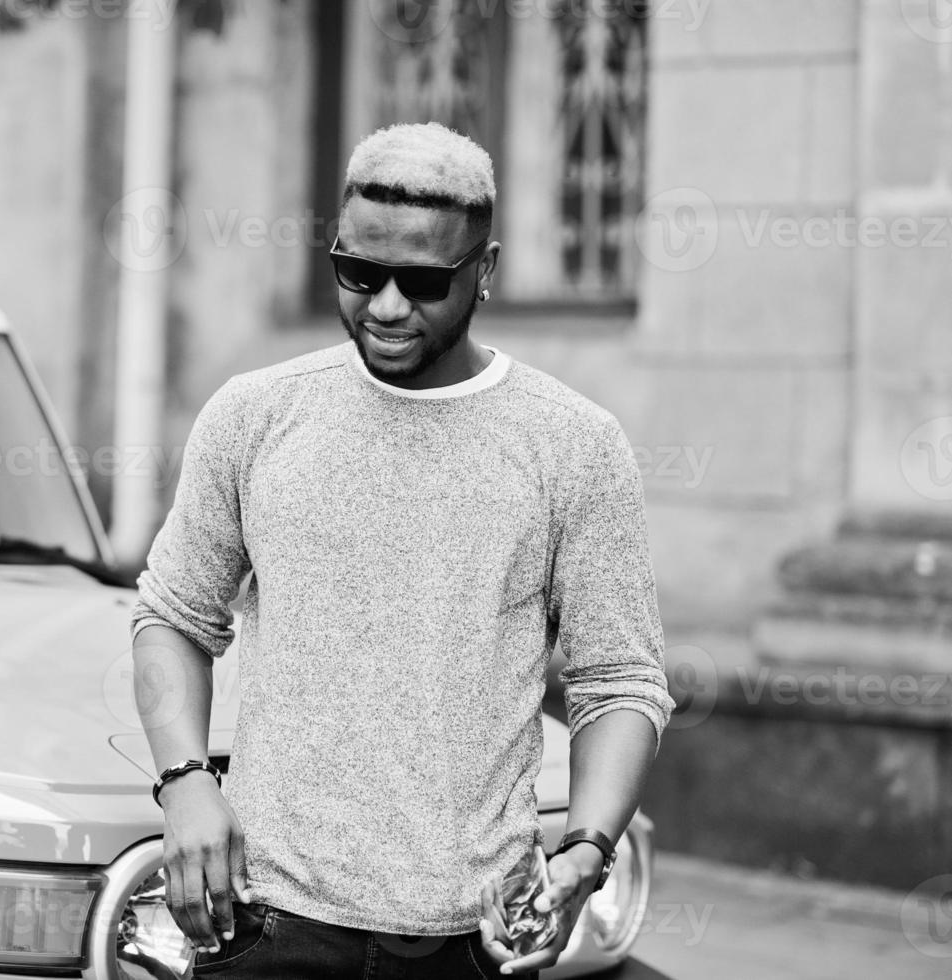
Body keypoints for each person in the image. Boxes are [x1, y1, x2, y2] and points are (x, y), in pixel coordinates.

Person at [128, 121, 675, 979]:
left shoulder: (572, 443)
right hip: (267, 923)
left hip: (473, 937)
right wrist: (186, 780)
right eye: (357, 273)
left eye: (422, 282)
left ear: (484, 270)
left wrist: (584, 852)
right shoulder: (254, 415)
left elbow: (621, 679)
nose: (384, 306)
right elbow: (173, 616)